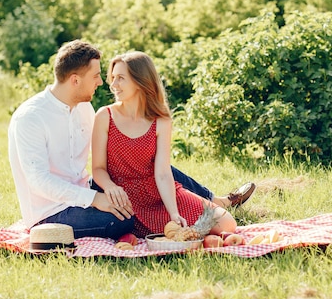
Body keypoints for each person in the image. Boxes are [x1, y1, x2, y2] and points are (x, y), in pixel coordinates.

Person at [8, 40, 254, 240]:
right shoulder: (31, 118)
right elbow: (39, 181)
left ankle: (216, 201)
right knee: (123, 218)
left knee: (152, 165)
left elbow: (128, 152)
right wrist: (96, 199)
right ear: (75, 80)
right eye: (96, 76)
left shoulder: (83, 109)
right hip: (52, 211)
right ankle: (157, 218)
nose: (102, 82)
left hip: (84, 190)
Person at [91, 51, 237, 237]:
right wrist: (110, 187)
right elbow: (97, 168)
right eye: (113, 78)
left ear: (140, 81)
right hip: (124, 200)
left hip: (157, 193)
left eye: (120, 78)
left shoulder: (160, 120)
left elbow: (162, 173)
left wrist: (174, 213)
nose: (113, 85)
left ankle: (183, 230)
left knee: (227, 224)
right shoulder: (105, 116)